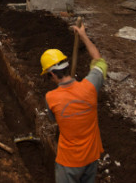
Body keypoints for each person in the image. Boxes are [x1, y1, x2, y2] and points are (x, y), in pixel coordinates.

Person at [41, 25, 107, 183]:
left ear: (52, 74)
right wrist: (83, 35)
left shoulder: (51, 98)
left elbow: (53, 119)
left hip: (69, 162)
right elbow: (99, 60)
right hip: (92, 157)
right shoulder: (90, 86)